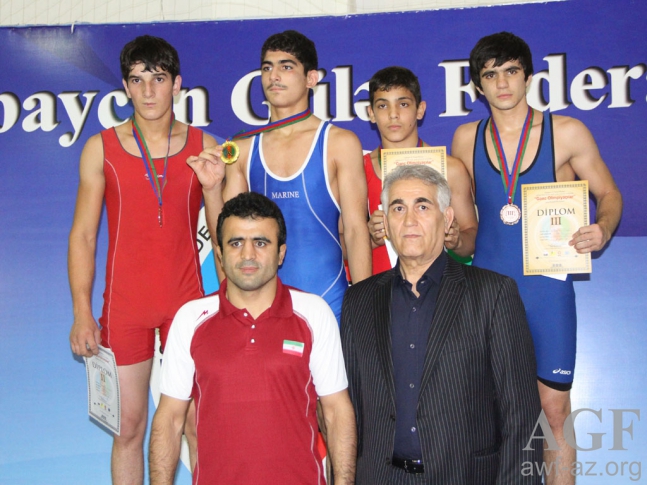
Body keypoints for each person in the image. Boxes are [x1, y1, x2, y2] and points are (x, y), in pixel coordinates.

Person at [451, 32, 622, 485]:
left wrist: (603, 228)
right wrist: (452, 238)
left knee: (554, 411)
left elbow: (609, 193)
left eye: (511, 71)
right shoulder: (465, 139)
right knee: (489, 416)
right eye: (491, 75)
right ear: (478, 86)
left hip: (546, 291)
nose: (502, 83)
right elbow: (465, 229)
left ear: (528, 77)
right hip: (487, 294)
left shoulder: (566, 132)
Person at [67, 35, 219, 484]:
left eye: (158, 78)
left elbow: (226, 233)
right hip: (125, 307)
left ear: (177, 84)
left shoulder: (204, 145)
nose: (148, 91)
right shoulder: (101, 148)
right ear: (125, 87)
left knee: (196, 426)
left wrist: (213, 187)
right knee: (128, 429)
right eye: (137, 80)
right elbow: (83, 236)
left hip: (186, 305)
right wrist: (81, 312)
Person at [341, 165, 542, 484]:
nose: (409, 220)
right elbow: (350, 410)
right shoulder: (358, 301)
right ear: (386, 224)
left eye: (422, 206)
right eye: (398, 208)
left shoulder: (493, 294)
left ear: (447, 218)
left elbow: (522, 415)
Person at [149, 192, 356, 484]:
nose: (248, 255)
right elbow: (169, 420)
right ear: (219, 253)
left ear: (281, 253)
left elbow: (336, 412)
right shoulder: (190, 319)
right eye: (236, 243)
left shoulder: (314, 313)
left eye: (261, 242)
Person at [189, 30, 371, 321]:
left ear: (311, 78)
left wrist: (365, 310)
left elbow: (355, 230)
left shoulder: (339, 143)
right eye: (267, 68)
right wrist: (211, 189)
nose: (273, 76)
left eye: (286, 67)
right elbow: (227, 235)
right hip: (262, 307)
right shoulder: (243, 148)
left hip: (329, 302)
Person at [364, 66, 478, 273]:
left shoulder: (451, 169)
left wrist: (457, 240)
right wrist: (370, 238)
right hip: (380, 287)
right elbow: (340, 244)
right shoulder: (358, 170)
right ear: (371, 113)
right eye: (382, 105)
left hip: (441, 287)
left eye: (403, 104)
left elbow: (471, 238)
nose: (393, 114)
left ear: (420, 109)